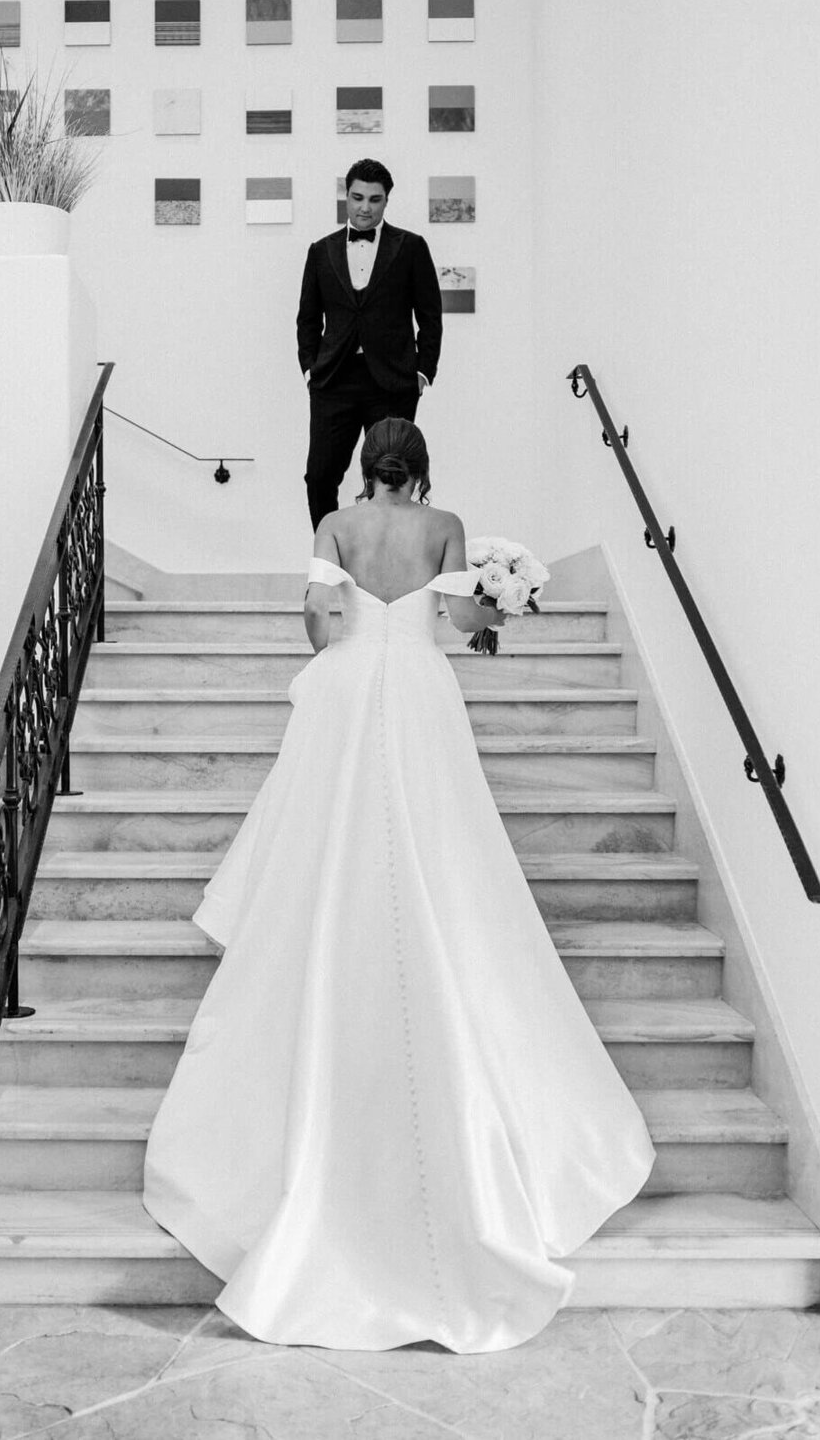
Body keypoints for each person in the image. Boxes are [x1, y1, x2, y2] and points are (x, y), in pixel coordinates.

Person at [142, 418, 657, 1352]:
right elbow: (460, 624)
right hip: (420, 689)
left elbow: (318, 622)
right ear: (420, 470)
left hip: (344, 691)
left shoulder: (336, 525)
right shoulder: (445, 526)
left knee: (333, 834)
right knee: (440, 839)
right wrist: (503, 602)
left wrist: (338, 614)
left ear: (364, 468)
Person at [296, 158, 443, 529]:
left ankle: (385, 557)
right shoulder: (321, 250)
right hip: (334, 380)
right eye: (358, 197)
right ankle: (330, 554)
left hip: (392, 381)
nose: (365, 207)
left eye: (375, 199)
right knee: (320, 476)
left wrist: (422, 372)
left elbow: (430, 316)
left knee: (391, 480)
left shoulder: (411, 247)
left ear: (386, 200)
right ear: (346, 196)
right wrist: (311, 369)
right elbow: (308, 318)